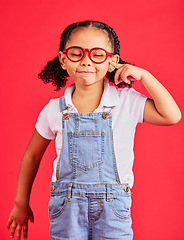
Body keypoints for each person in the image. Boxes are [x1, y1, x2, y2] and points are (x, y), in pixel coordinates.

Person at [7, 20, 181, 240]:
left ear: (112, 62)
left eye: (97, 55)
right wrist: (20, 203)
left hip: (114, 209)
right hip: (66, 209)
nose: (86, 61)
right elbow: (32, 156)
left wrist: (145, 76)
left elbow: (172, 116)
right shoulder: (54, 110)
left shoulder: (126, 102)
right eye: (76, 53)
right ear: (63, 59)